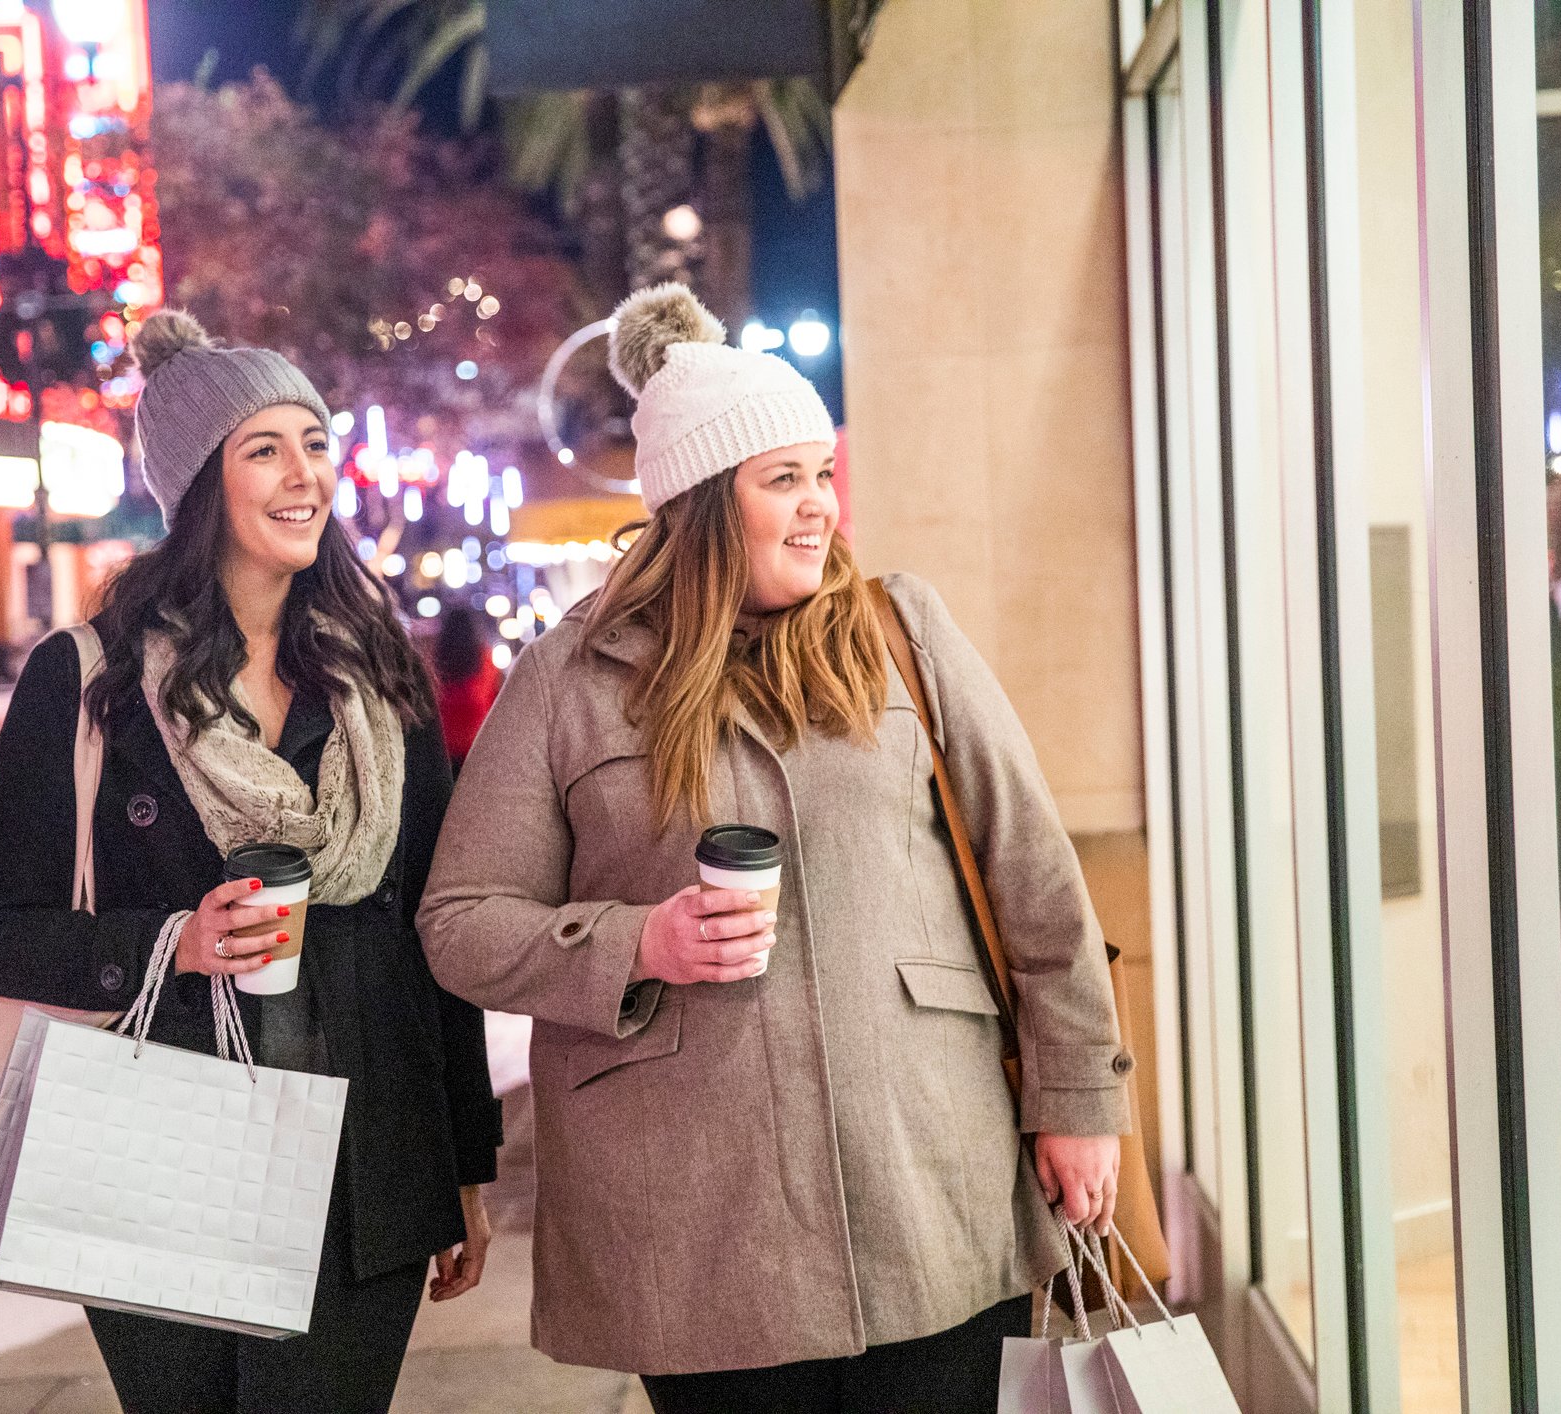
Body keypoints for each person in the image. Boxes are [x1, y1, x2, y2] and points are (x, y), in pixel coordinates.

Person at [417, 285, 1131, 1412]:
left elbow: (1032, 877)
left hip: (928, 1179)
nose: (821, 509)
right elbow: (461, 920)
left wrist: (1080, 1097)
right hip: (698, 1226)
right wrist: (634, 940)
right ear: (702, 503)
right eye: (783, 479)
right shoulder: (569, 678)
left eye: (823, 474)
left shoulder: (902, 632)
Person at [0, 310, 500, 1413]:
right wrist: (175, 940)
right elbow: (2, 929)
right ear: (200, 481)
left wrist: (464, 1160)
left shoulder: (380, 678)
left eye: (314, 442)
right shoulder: (89, 678)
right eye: (267, 448)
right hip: (171, 1153)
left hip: (370, 1151)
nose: (305, 474)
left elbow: (434, 926)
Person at [431, 605, 502, 771]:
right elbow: (495, 704)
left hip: (443, 754)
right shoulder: (486, 661)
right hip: (478, 751)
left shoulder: (435, 664)